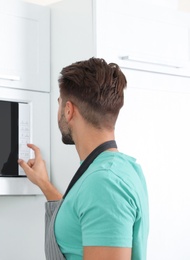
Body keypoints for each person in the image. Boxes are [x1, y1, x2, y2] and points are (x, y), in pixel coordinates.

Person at [18, 57, 149, 260]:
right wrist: (44, 184)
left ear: (69, 111)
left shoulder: (105, 183)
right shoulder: (113, 170)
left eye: (59, 104)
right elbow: (77, 219)